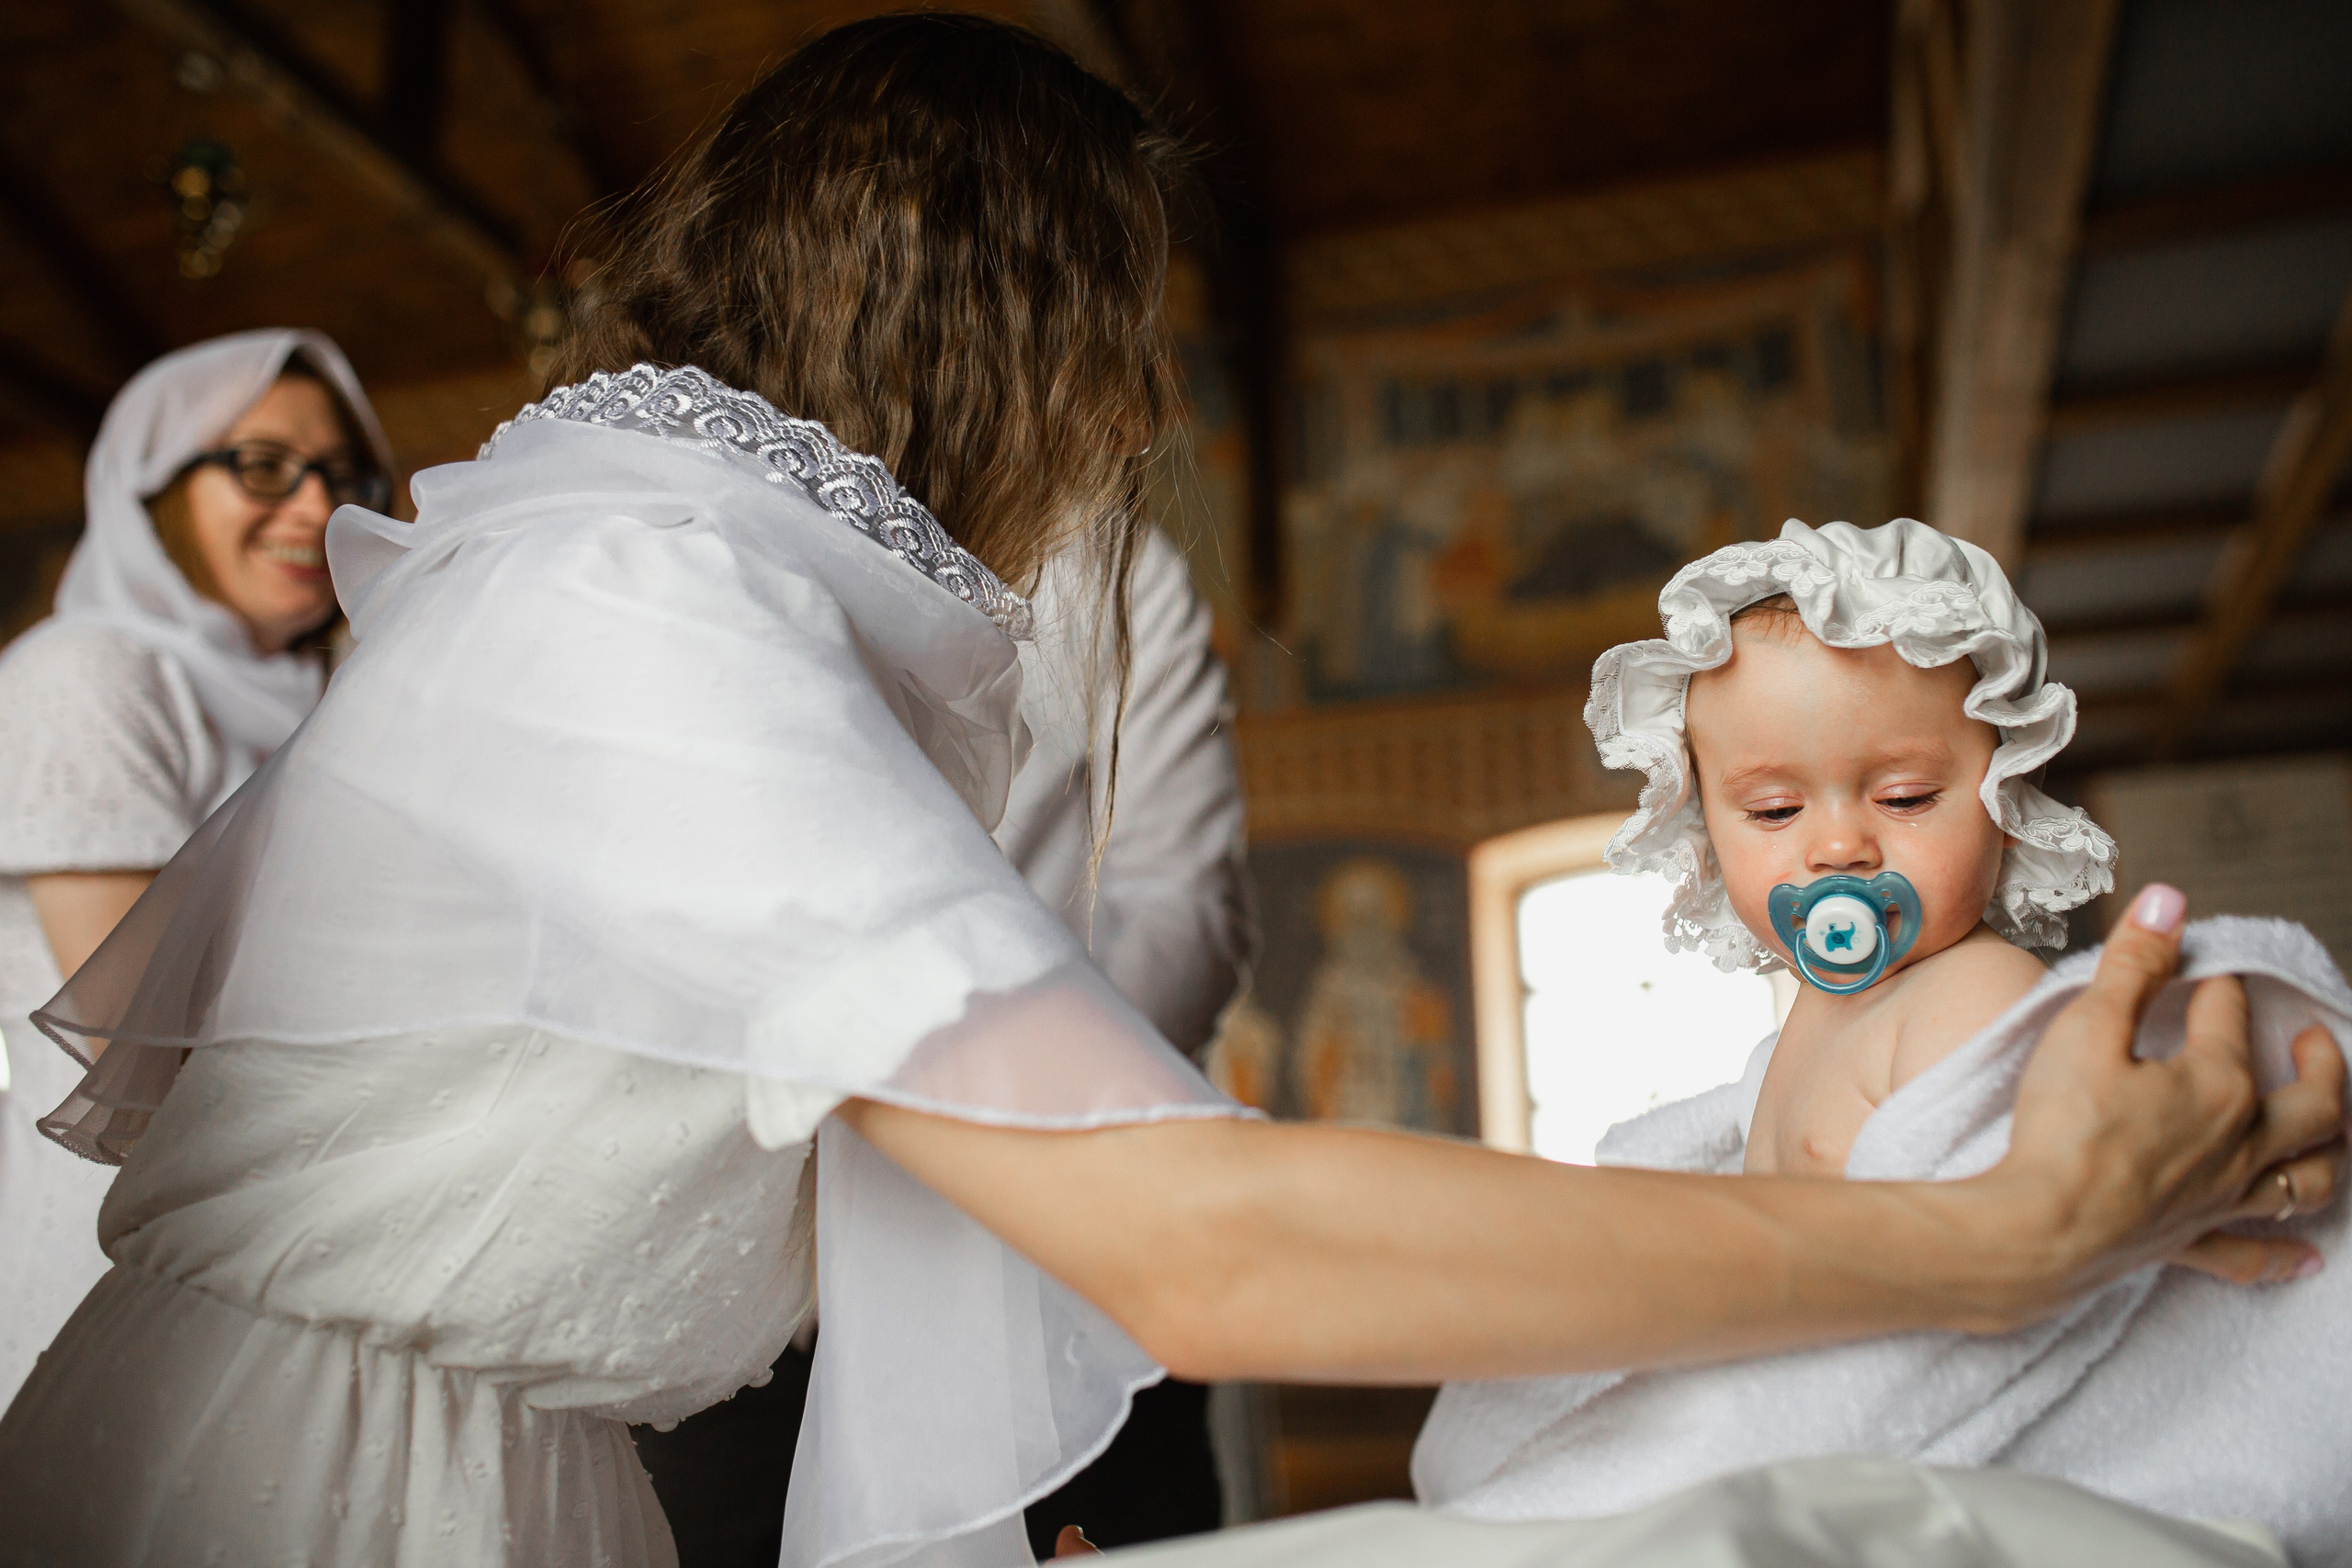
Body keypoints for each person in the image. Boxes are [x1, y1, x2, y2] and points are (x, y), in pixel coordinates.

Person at [0, 20, 2338, 1568]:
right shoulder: (635, 596)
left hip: (508, 1475)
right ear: (1017, 330)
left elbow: (906, 1148)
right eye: (1112, 353)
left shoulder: (688, 587)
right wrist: (1995, 1239)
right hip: (318, 1496)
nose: (1117, 432)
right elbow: (1193, 1235)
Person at [1413, 521, 2352, 1558]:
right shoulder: (1788, 1044)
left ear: (2003, 803)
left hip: (1924, 1477)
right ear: (1701, 824)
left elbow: (2022, 1258)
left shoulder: (1977, 990)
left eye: (1904, 797)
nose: (1838, 843)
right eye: (1770, 809)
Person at [632, 525, 1250, 1563]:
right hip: (758, 1288)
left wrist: (986, 1136)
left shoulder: (1112, 573)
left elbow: (1181, 913)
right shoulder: (697, 555)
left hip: (1065, 1246)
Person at [0, 330, 389, 1409]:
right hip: (121, 1232)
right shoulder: (90, 675)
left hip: (315, 1212)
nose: (314, 509)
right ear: (147, 486)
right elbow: (134, 1052)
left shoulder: (349, 703)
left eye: (343, 477)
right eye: (263, 466)